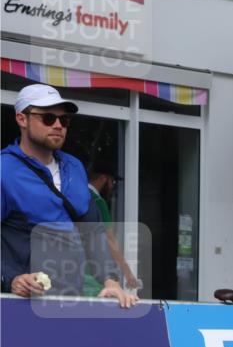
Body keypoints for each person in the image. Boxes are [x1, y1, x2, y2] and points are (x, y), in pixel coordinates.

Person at [1, 84, 136, 307]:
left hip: (71, 299)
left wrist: (110, 281)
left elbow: (93, 232)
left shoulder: (74, 167)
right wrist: (11, 278)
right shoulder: (4, 169)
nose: (58, 125)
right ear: (22, 119)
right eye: (48, 118)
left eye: (64, 120)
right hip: (19, 304)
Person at [84, 164, 139, 296]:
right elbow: (109, 240)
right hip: (93, 275)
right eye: (112, 182)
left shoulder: (76, 197)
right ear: (103, 179)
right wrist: (128, 274)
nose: (112, 187)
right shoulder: (97, 201)